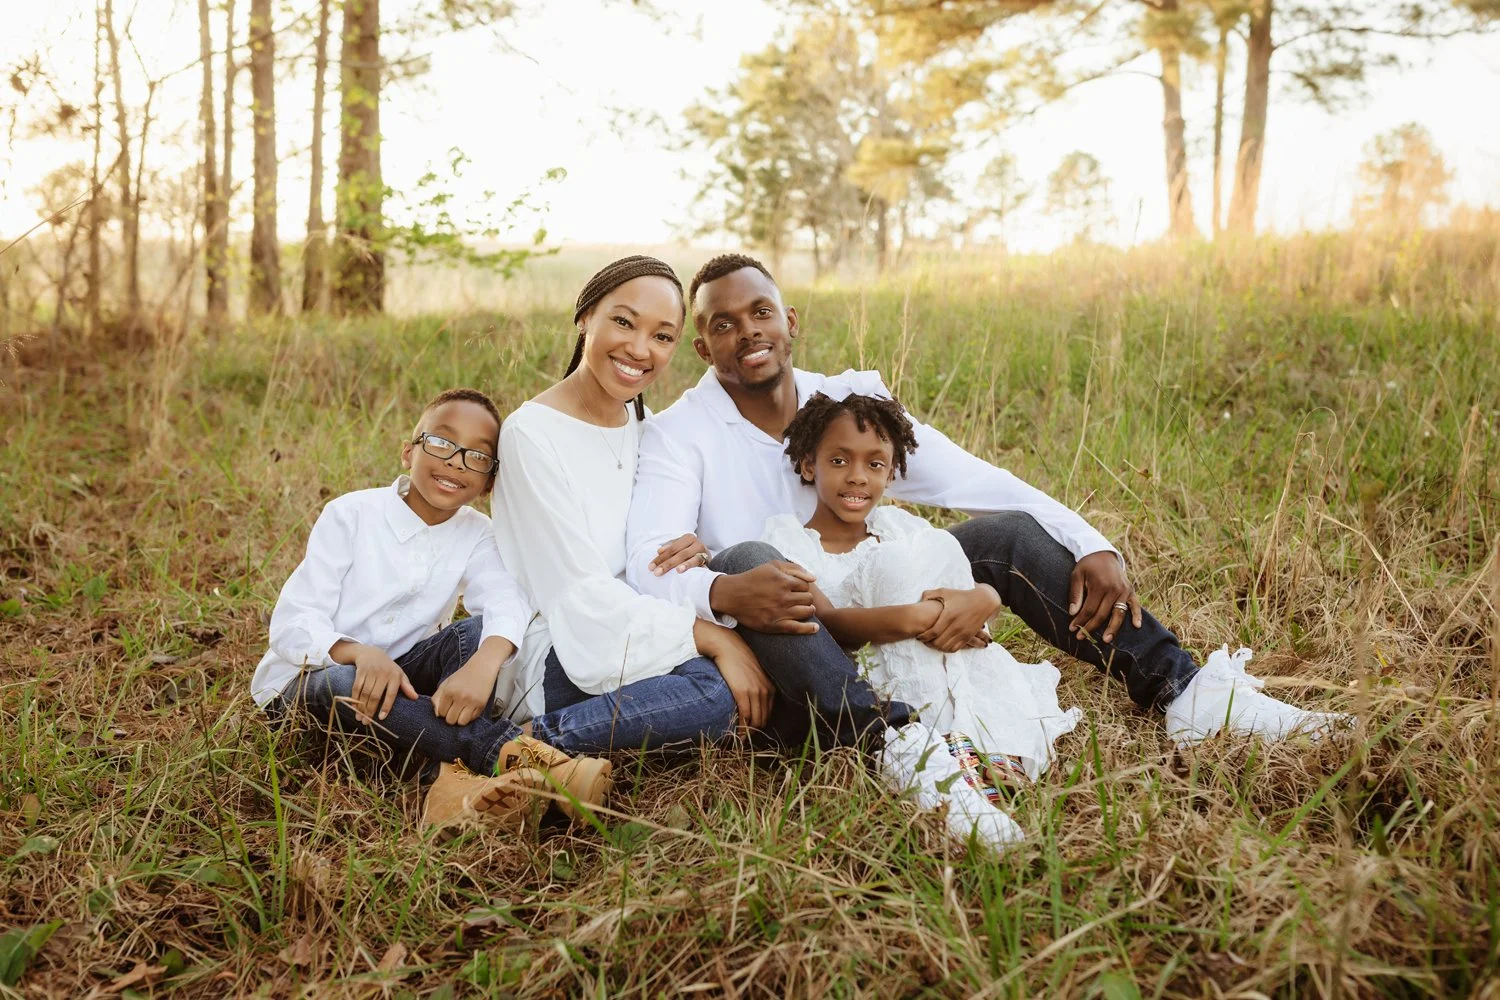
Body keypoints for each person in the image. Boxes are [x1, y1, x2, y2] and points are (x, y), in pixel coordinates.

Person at [626, 253, 1350, 754]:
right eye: (723, 323)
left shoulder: (849, 404)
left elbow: (974, 479)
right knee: (760, 561)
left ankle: (1189, 696)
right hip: (801, 653)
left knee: (1007, 534)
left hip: (885, 593)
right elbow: (650, 569)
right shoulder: (677, 437)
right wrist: (720, 582)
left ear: (791, 320)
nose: (746, 331)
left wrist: (1092, 542)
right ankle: (896, 748)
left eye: (760, 312)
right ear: (700, 345)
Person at [251, 388, 614, 834]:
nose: (456, 462)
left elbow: (505, 602)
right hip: (312, 685)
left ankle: (446, 786)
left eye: (477, 457)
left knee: (475, 634)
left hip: (400, 681)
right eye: (442, 443)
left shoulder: (478, 533)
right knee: (345, 682)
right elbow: (292, 623)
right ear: (409, 451)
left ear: (489, 482)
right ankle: (526, 760)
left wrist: (484, 664)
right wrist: (361, 654)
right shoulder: (351, 514)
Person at [763, 389, 1087, 848]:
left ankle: (973, 745)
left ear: (891, 473)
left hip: (945, 658)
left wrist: (988, 596)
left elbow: (955, 587)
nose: (857, 478)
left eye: (875, 465)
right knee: (895, 568)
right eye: (839, 461)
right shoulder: (787, 539)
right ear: (809, 464)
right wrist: (917, 617)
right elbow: (829, 625)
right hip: (863, 685)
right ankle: (932, 754)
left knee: (933, 548)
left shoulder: (902, 528)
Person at [489, 256, 776, 752]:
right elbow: (578, 593)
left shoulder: (649, 431)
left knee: (753, 647)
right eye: (623, 322)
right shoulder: (531, 433)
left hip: (645, 629)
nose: (640, 349)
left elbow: (655, 547)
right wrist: (711, 637)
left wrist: (695, 548)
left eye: (662, 337)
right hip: (566, 643)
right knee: (712, 695)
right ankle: (511, 748)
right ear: (585, 318)